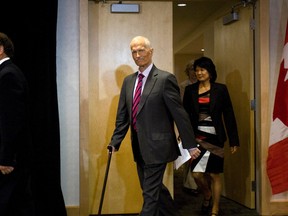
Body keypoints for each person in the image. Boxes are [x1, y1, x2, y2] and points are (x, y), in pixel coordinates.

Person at [108, 36, 201, 216]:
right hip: (139, 146)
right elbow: (123, 116)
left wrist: (190, 144)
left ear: (151, 51)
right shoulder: (129, 81)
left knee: (149, 195)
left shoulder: (165, 79)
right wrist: (115, 141)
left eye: (141, 50)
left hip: (158, 146)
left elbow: (179, 114)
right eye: (134, 51)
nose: (137, 55)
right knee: (154, 188)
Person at [183, 56, 239, 216]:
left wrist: (234, 139)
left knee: (214, 175)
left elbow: (228, 115)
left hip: (215, 139)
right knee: (197, 175)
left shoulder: (220, 89)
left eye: (202, 69)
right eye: (197, 70)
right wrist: (183, 136)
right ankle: (206, 194)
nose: (199, 73)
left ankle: (215, 207)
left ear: (210, 71)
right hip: (197, 139)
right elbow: (185, 116)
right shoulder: (190, 90)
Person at [0, 32, 34, 216]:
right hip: (13, 155)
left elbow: (10, 120)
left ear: (1, 49)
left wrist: (6, 158)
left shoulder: (8, 75)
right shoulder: (7, 73)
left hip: (11, 158)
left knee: (12, 204)